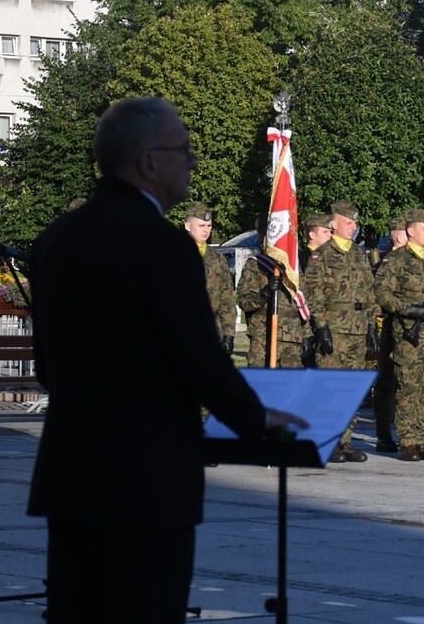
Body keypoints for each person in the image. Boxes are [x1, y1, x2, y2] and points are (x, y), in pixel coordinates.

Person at [26, 97, 306, 623]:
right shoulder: (162, 246)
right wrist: (258, 419)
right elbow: (199, 360)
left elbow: (46, 365)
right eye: (183, 150)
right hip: (147, 479)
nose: (191, 161)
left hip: (73, 473)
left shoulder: (57, 239)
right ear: (148, 162)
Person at [374, 207, 424, 462]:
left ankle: (421, 440)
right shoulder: (396, 260)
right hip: (410, 335)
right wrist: (409, 309)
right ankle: (408, 441)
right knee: (408, 388)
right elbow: (382, 294)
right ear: (410, 231)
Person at [301, 200, 378, 464]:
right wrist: (321, 327)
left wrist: (371, 325)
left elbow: (369, 291)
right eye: (348, 222)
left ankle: (345, 440)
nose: (353, 227)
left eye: (355, 223)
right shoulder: (321, 254)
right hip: (334, 329)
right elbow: (313, 293)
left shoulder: (358, 253)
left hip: (357, 328)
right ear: (334, 223)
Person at [237, 214, 311, 369]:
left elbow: (303, 301)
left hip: (291, 337)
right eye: (265, 233)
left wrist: (307, 334)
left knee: (290, 382)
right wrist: (264, 293)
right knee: (262, 381)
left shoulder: (292, 268)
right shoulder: (254, 265)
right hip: (263, 336)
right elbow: (244, 302)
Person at [371, 215, 407, 452]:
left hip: (410, 329)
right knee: (386, 383)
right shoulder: (387, 262)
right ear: (398, 236)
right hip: (389, 327)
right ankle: (384, 434)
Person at [184, 201, 236, 355]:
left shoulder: (218, 259)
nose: (206, 230)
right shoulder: (173, 255)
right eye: (201, 226)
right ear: (188, 226)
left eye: (209, 226)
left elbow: (227, 298)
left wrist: (229, 335)